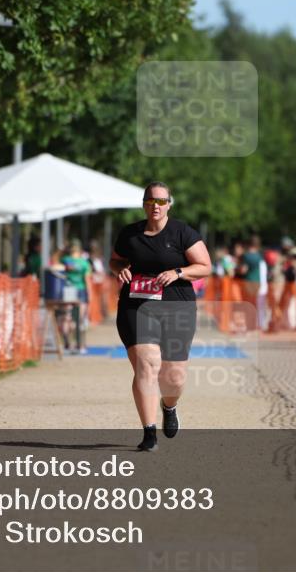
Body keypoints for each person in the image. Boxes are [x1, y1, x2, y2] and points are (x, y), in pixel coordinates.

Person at [110, 182, 211, 452]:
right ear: (144, 203)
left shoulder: (182, 233)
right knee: (146, 365)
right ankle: (149, 433)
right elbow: (115, 260)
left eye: (161, 201)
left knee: (174, 377)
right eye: (151, 201)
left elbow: (205, 266)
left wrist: (178, 272)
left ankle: (170, 406)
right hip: (136, 306)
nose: (156, 206)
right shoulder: (130, 234)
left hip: (177, 306)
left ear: (169, 204)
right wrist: (120, 269)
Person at [62, 239, 93, 354]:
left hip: (67, 290)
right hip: (81, 291)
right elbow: (87, 280)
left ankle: (67, 344)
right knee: (79, 319)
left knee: (67, 317)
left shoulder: (65, 260)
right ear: (80, 250)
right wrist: (90, 295)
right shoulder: (84, 263)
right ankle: (80, 345)